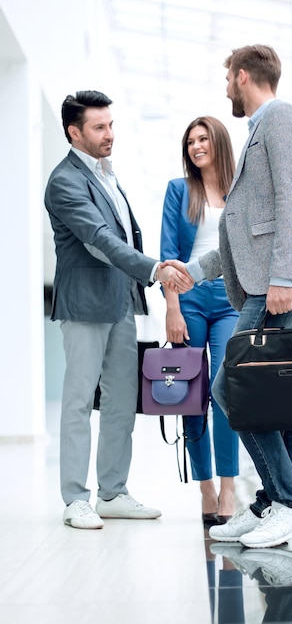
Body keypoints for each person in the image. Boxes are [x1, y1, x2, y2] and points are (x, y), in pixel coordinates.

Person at [165, 44, 292, 548]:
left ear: (241, 76)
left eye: (226, 80)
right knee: (278, 396)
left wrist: (283, 277)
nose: (225, 90)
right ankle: (271, 506)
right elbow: (243, 234)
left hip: (279, 285)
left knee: (233, 389)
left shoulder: (280, 119)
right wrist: (193, 272)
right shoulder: (259, 130)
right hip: (268, 282)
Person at [44, 90, 193, 530]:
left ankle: (113, 492)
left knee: (121, 402)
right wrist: (155, 271)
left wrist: (141, 283)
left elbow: (126, 233)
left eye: (110, 125)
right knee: (77, 402)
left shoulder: (107, 173)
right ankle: (75, 498)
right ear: (75, 132)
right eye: (99, 127)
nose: (110, 134)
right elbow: (99, 240)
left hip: (121, 303)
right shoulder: (65, 180)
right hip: (85, 304)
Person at [160, 117, 240, 525]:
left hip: (230, 297)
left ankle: (229, 488)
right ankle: (205, 487)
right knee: (192, 396)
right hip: (189, 298)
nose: (196, 146)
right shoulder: (179, 190)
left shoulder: (238, 188)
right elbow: (168, 254)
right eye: (190, 141)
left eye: (203, 138)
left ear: (218, 142)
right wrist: (172, 308)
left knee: (225, 389)